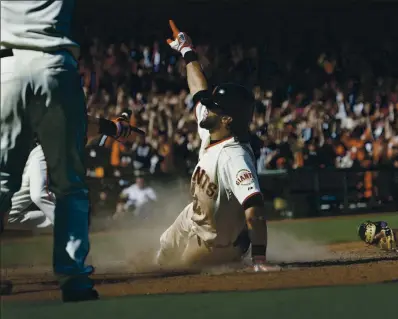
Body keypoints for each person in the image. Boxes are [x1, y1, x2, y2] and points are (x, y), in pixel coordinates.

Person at [0, 1, 135, 300]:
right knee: (70, 185)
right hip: (55, 63)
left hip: (6, 66)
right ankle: (74, 280)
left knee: (1, 180)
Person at [155, 21, 276, 272]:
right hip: (194, 217)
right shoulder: (212, 127)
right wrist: (187, 51)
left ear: (227, 119)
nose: (206, 108)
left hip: (215, 241)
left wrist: (260, 259)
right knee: (163, 250)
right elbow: (199, 90)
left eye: (214, 107)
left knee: (180, 270)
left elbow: (255, 209)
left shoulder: (236, 157)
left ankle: (234, 254)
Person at [8, 139, 55, 229]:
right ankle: (71, 218)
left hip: (39, 150)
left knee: (39, 196)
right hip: (20, 165)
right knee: (6, 217)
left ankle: (72, 224)